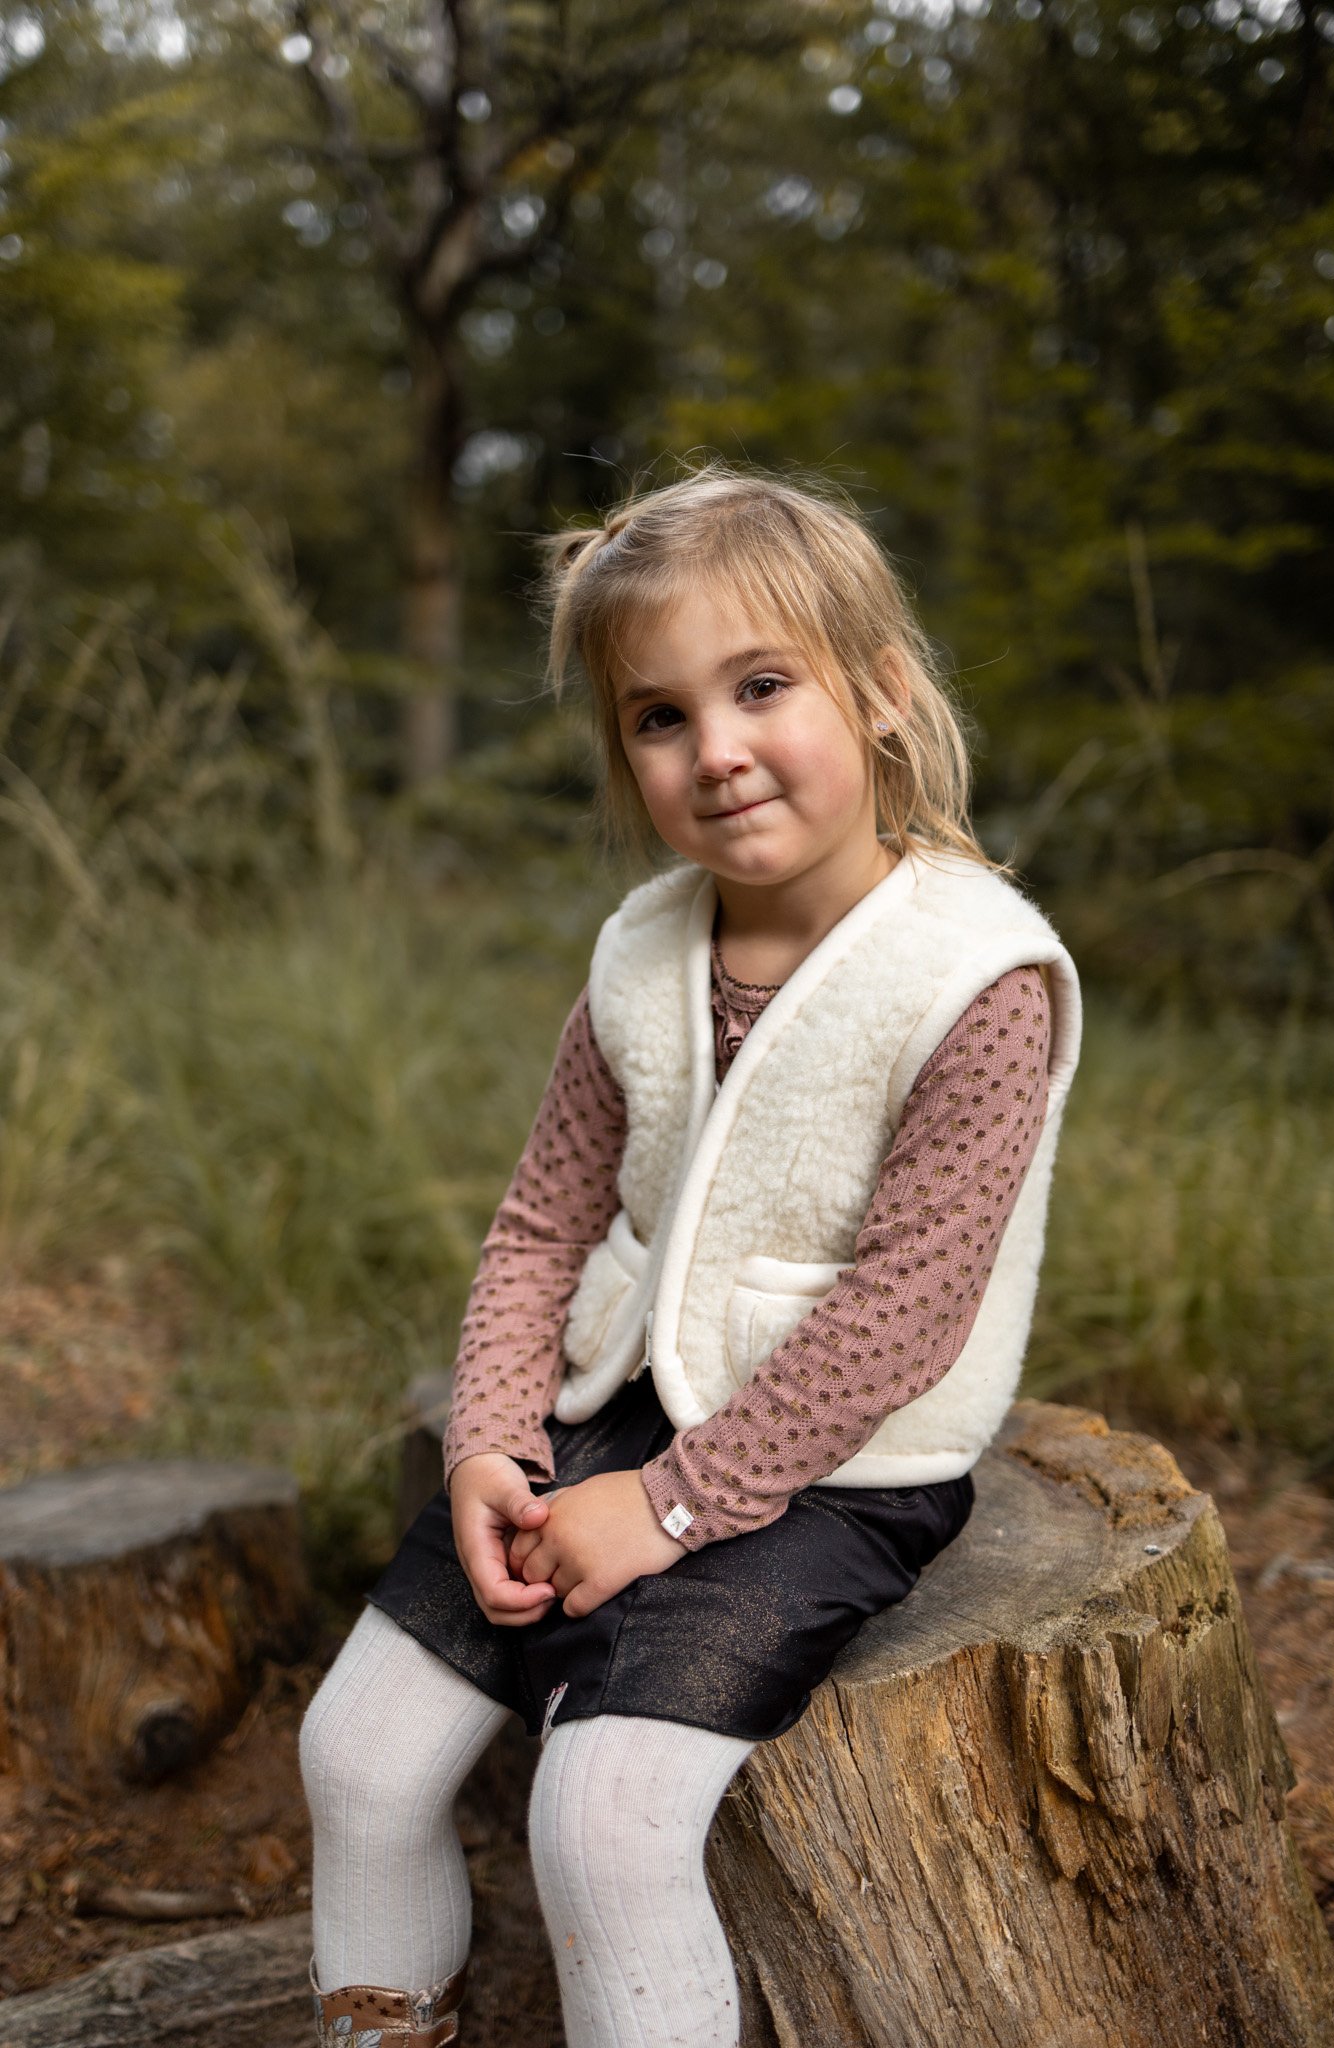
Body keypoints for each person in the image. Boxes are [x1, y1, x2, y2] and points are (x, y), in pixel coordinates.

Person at [299, 460, 1082, 2048]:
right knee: (357, 1756)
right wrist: (493, 1436)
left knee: (602, 1823)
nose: (714, 749)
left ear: (878, 691)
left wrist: (665, 1508)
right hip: (613, 1406)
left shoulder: (975, 977)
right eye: (659, 716)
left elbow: (904, 1312)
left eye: (761, 686)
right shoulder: (643, 947)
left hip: (834, 1463)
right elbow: (541, 1220)